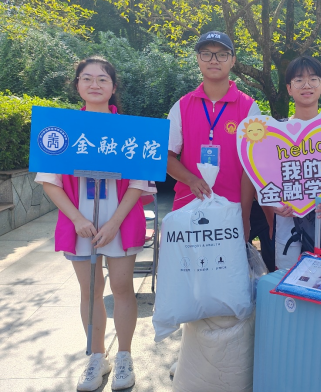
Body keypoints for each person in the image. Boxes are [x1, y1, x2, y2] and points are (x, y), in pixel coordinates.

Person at [36, 56, 154, 391]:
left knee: (122, 289)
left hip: (120, 222)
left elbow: (138, 182)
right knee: (90, 290)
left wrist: (115, 222)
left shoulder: (131, 130)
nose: (94, 84)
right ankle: (96, 357)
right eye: (86, 78)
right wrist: (77, 219)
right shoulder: (61, 128)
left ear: (113, 87)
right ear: (77, 85)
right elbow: (49, 182)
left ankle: (124, 356)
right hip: (81, 227)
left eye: (103, 79)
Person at [166, 31, 266, 375]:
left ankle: (229, 357)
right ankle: (190, 357)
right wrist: (191, 179)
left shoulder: (249, 108)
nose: (214, 60)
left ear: (233, 61)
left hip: (230, 213)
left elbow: (251, 167)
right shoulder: (182, 105)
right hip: (189, 211)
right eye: (206, 54)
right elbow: (167, 156)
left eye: (221, 54)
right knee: (191, 283)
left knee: (227, 281)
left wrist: (245, 215)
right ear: (197, 59)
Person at [273, 56, 321, 269]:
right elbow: (263, 177)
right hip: (287, 224)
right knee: (287, 283)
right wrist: (274, 205)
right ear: (289, 88)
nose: (306, 85)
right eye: (299, 80)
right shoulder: (276, 132)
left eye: (313, 79)